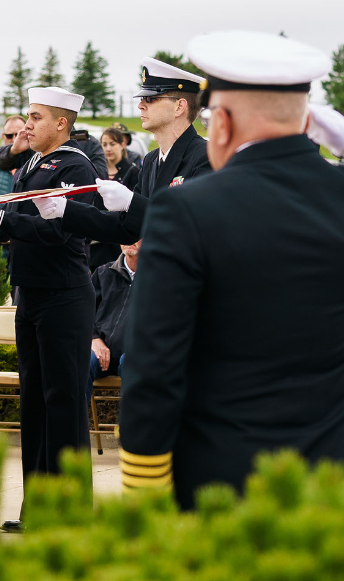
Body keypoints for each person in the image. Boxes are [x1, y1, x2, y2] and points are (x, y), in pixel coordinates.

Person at [119, 31, 344, 510]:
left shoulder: (185, 212)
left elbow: (153, 368)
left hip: (223, 485)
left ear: (219, 123)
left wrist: (145, 492)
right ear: (308, 119)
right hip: (332, 483)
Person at [0, 87, 102, 532]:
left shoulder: (74, 166)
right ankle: (37, 508)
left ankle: (69, 510)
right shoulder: (32, 164)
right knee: (36, 405)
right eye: (28, 116)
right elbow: (17, 227)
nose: (27, 124)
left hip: (63, 295)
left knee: (63, 403)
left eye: (37, 117)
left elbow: (56, 232)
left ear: (62, 123)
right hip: (33, 294)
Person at [38, 58, 210, 245]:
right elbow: (126, 228)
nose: (141, 105)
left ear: (179, 107)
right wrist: (66, 209)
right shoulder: (152, 160)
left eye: (151, 98)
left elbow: (190, 225)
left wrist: (132, 202)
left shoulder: (205, 157)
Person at [88, 240, 139, 398]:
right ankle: (74, 422)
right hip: (102, 352)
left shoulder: (160, 278)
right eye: (125, 234)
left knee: (133, 363)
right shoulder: (103, 273)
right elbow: (83, 314)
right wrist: (94, 338)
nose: (129, 239)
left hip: (137, 353)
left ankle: (131, 423)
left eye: (136, 234)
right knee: (80, 363)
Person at [89, 126, 141, 269]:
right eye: (104, 145)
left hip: (120, 241)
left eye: (112, 144)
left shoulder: (132, 171)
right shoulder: (97, 172)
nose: (108, 149)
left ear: (122, 144)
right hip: (97, 241)